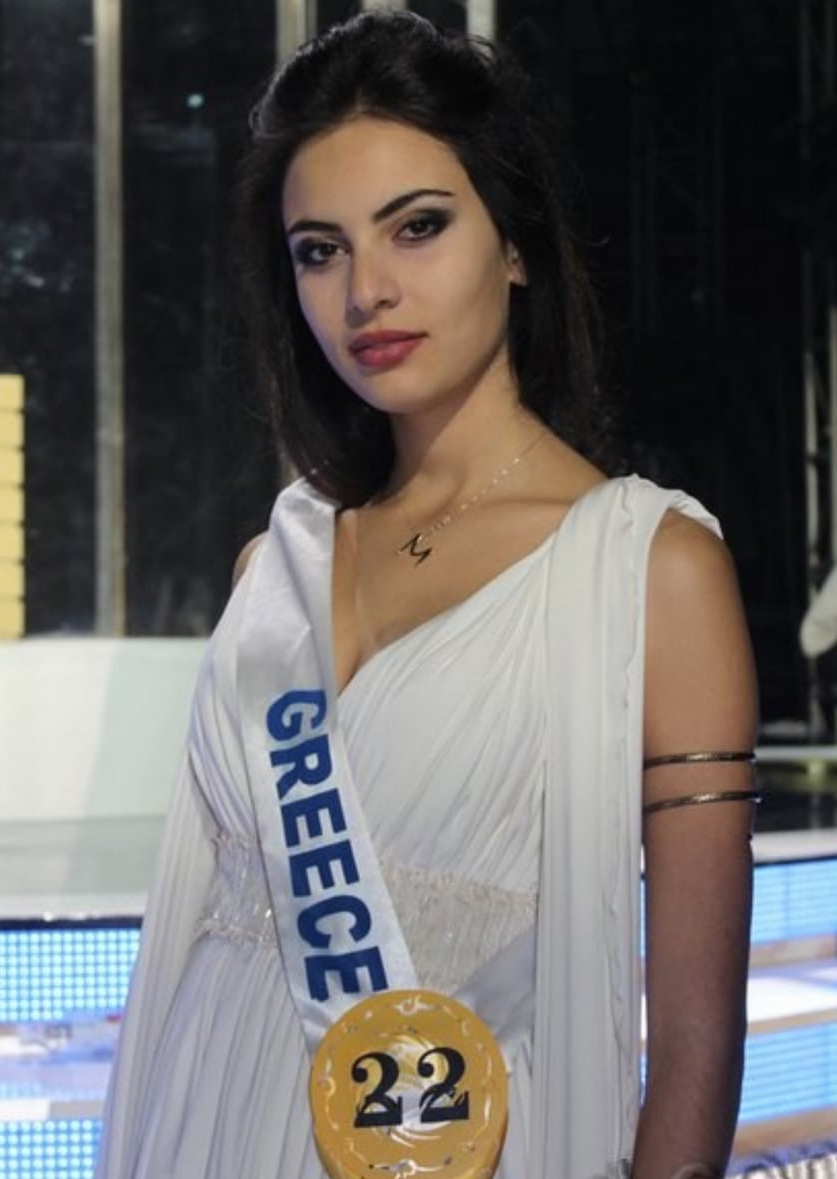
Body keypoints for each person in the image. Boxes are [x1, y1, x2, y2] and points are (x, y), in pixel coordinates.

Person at [95, 11, 759, 1179]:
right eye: (320, 250)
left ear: (516, 243)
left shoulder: (647, 572)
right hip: (203, 1121)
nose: (366, 291)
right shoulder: (274, 567)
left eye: (417, 227)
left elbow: (698, 1044)